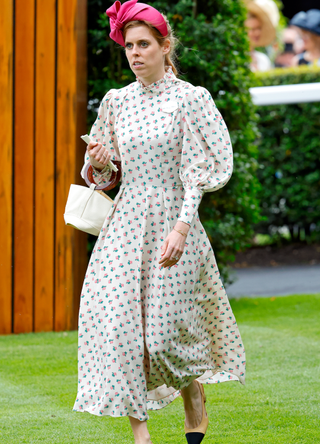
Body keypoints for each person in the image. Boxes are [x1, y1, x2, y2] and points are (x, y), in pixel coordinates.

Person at [73, 1, 246, 443]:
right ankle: (141, 435)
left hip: (174, 222)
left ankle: (192, 392)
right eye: (128, 45)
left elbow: (202, 171)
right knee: (120, 331)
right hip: (125, 225)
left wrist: (182, 228)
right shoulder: (116, 102)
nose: (134, 53)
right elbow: (106, 178)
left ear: (165, 46)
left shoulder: (191, 99)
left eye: (144, 44)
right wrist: (100, 161)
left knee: (164, 338)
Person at [245, 0, 280, 71]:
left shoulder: (263, 60)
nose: (257, 33)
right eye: (252, 29)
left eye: (259, 28)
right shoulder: (235, 60)